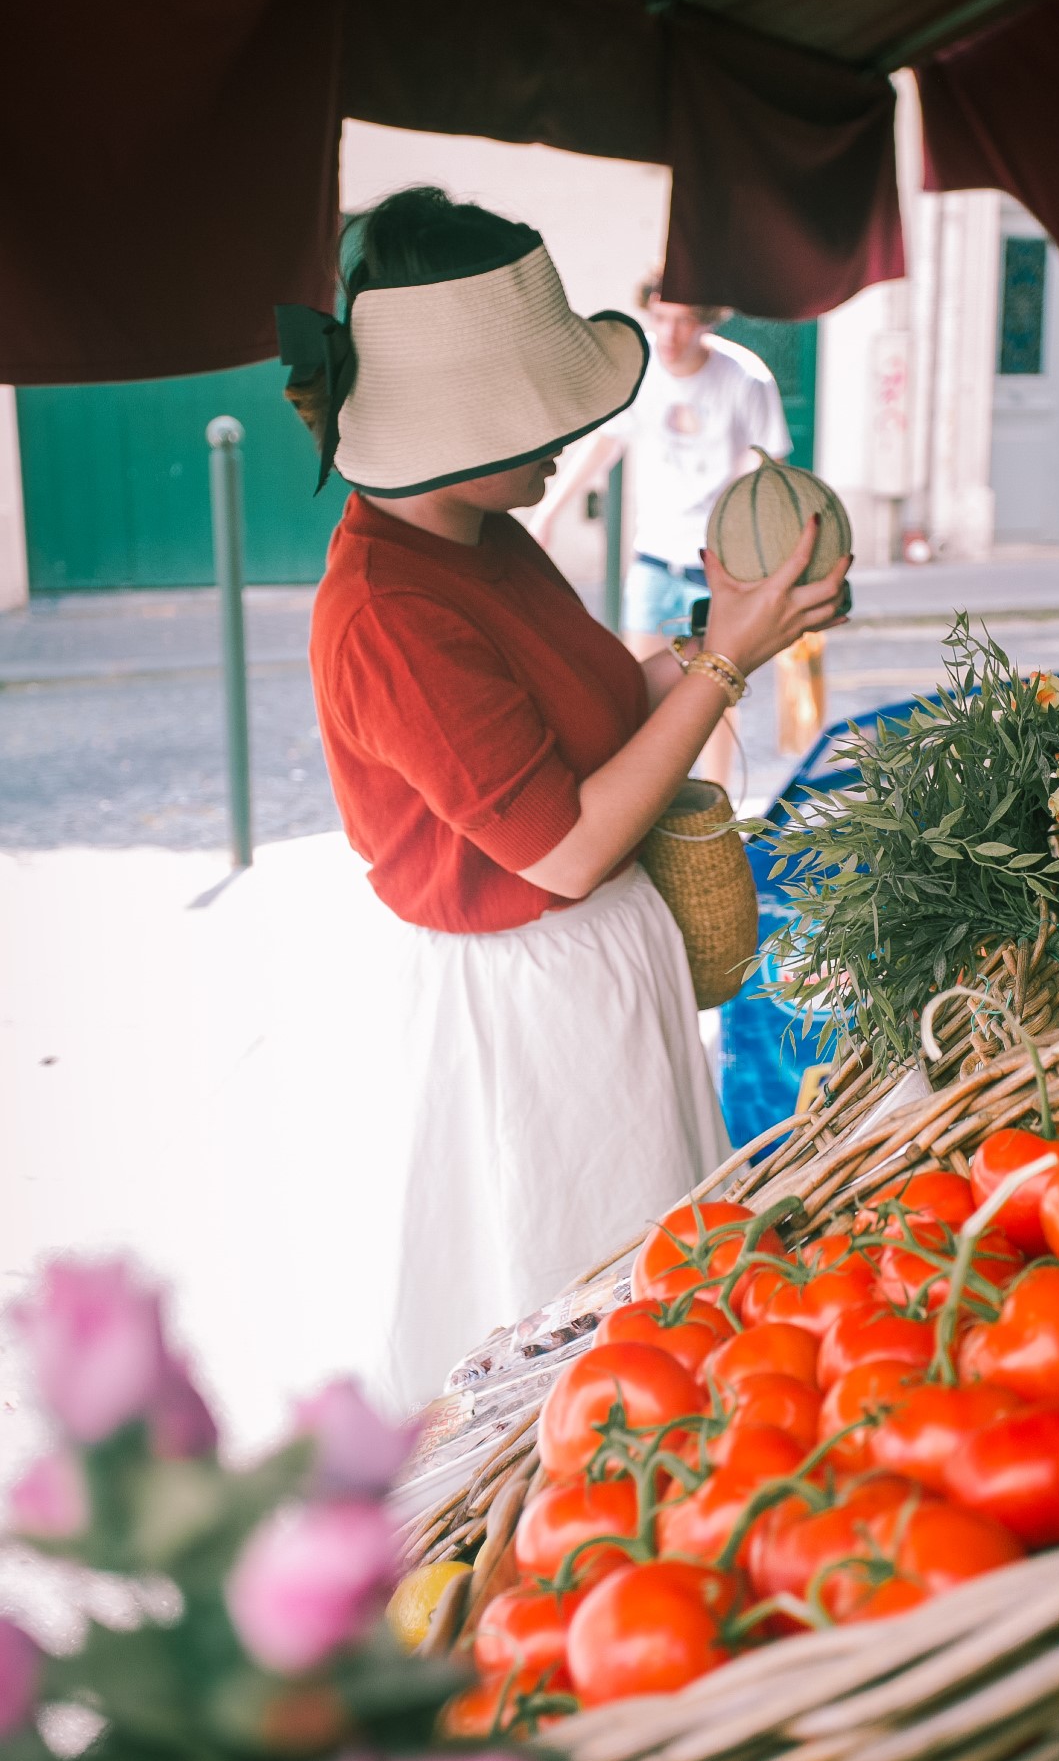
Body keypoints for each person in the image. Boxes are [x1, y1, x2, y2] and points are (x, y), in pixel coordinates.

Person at [276, 189, 850, 1413]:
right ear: (456, 420)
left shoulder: (480, 532)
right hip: (530, 1027)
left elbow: (600, 713)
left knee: (657, 1326)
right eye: (542, 412)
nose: (573, 435)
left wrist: (738, 623)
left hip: (593, 985)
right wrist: (725, 659)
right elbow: (570, 847)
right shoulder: (391, 610)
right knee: (589, 1366)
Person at [530, 280, 792, 784]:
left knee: (715, 692)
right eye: (661, 317)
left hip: (719, 565)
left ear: (711, 320)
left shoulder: (744, 378)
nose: (669, 333)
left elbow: (770, 467)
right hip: (654, 557)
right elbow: (607, 444)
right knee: (638, 692)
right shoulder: (642, 368)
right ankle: (652, 810)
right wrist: (547, 514)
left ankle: (719, 811)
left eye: (685, 320)